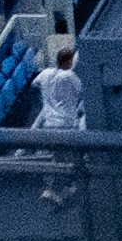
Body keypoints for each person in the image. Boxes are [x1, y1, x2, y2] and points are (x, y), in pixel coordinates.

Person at [32, 46, 87, 206]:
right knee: (69, 159)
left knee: (59, 157)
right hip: (67, 124)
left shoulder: (45, 73)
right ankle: (54, 190)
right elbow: (83, 90)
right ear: (69, 62)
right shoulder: (69, 75)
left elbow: (34, 86)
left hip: (50, 124)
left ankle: (62, 189)